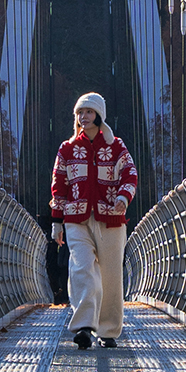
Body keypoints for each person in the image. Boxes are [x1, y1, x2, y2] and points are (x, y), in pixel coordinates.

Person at [49, 92, 137, 349]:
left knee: (110, 276)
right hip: (76, 219)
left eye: (88, 111)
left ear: (99, 115)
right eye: (79, 112)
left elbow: (130, 173)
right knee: (81, 269)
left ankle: (108, 331)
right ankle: (84, 327)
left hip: (111, 219)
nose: (83, 116)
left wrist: (123, 197)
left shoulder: (116, 146)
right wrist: (56, 222)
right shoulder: (67, 149)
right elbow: (59, 185)